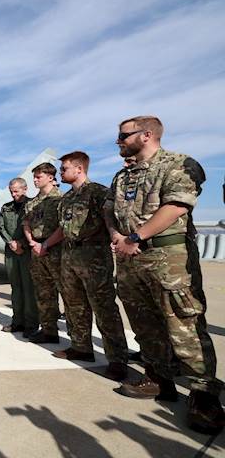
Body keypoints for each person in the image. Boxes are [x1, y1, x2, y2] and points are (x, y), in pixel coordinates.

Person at [106, 115, 224, 434]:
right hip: (131, 262)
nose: (118, 140)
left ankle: (204, 396)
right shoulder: (123, 176)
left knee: (183, 323)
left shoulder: (179, 165)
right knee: (144, 323)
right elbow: (109, 211)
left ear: (146, 135)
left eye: (123, 135)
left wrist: (135, 237)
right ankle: (159, 379)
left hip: (168, 258)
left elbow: (176, 206)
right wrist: (118, 236)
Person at [40, 151, 128, 382]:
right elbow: (62, 228)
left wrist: (117, 240)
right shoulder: (66, 199)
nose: (61, 173)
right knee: (74, 304)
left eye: (64, 169)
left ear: (79, 169)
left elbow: (111, 221)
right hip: (69, 256)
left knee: (104, 307)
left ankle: (117, 359)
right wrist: (47, 244)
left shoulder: (99, 193)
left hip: (94, 256)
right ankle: (81, 347)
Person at [22, 163, 63, 344]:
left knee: (68, 293)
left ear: (50, 177)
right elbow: (26, 224)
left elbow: (64, 226)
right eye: (35, 176)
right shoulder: (33, 202)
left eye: (39, 177)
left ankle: (79, 337)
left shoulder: (61, 199)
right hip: (37, 250)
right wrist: (32, 242)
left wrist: (45, 244)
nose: (35, 180)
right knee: (44, 293)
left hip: (56, 250)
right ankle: (49, 331)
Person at [0, 178, 37, 337]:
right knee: (16, 288)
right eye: (11, 191)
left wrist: (21, 243)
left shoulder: (33, 205)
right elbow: (1, 226)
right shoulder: (6, 208)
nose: (13, 194)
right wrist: (10, 242)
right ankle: (17, 322)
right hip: (11, 252)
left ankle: (31, 324)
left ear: (25, 189)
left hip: (27, 252)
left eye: (16, 191)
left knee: (29, 289)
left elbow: (36, 227)